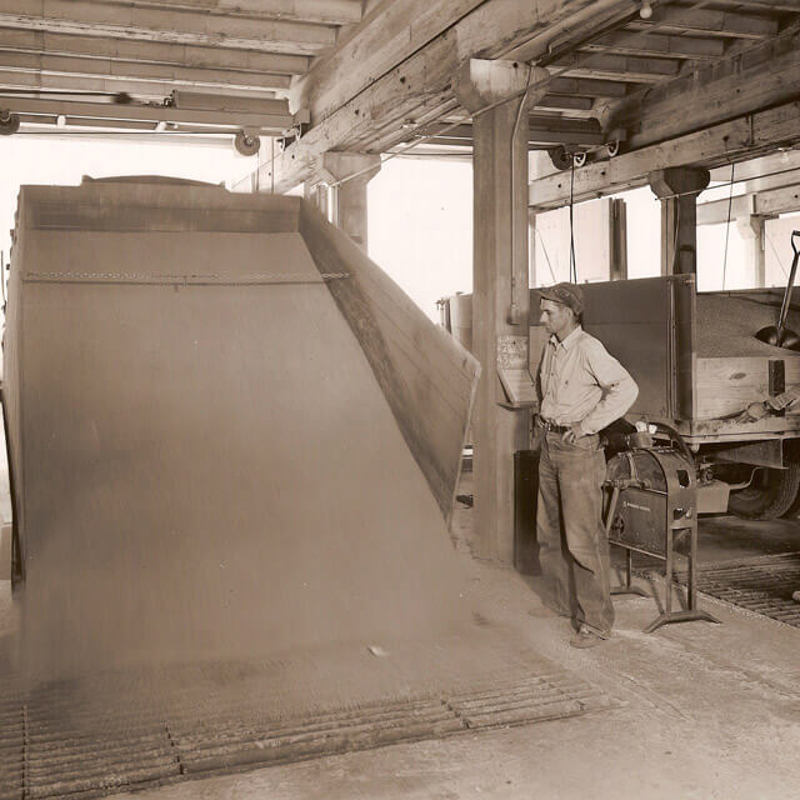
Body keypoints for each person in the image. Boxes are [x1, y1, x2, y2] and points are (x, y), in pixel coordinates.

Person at [534, 282, 638, 648]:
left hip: (577, 451)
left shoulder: (588, 349)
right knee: (549, 533)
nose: (542, 316)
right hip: (551, 443)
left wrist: (587, 425)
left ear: (569, 313)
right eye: (542, 309)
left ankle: (596, 622)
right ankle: (564, 604)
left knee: (582, 539)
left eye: (548, 311)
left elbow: (626, 389)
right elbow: (545, 391)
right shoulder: (552, 347)